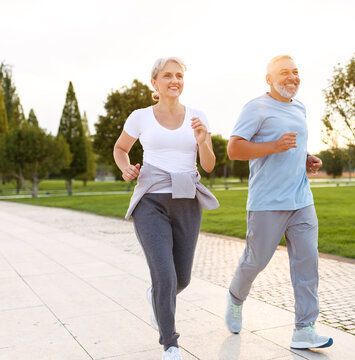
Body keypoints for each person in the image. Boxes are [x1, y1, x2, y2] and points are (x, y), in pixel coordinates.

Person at [113, 57, 219, 360]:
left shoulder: (198, 117)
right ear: (154, 83)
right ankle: (170, 344)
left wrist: (202, 141)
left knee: (181, 278)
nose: (175, 81)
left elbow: (209, 165)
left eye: (179, 75)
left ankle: (156, 296)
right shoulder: (140, 117)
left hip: (187, 202)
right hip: (151, 202)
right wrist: (125, 169)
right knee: (165, 275)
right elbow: (121, 149)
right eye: (168, 75)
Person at [224, 55, 332, 350]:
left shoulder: (300, 107)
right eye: (284, 72)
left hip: (301, 199)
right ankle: (235, 298)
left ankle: (304, 329)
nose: (292, 77)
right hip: (267, 201)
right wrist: (273, 146)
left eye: (296, 72)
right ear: (269, 79)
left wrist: (306, 158)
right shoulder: (255, 107)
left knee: (307, 263)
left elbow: (294, 147)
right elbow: (234, 149)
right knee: (255, 260)